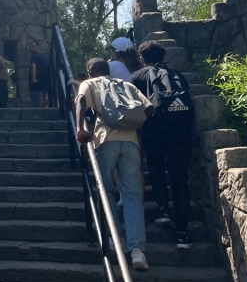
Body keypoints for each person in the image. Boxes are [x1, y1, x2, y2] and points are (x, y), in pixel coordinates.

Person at [74, 57, 153, 270]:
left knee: (107, 190)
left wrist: (80, 128)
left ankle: (115, 241)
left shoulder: (90, 84)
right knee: (132, 195)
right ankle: (137, 251)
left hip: (105, 140)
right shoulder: (125, 84)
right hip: (131, 142)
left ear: (90, 71)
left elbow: (81, 101)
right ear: (108, 69)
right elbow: (148, 109)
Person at [129, 40, 196, 249]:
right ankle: (183, 232)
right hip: (181, 134)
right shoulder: (177, 75)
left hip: (154, 132)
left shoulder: (137, 77)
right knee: (179, 181)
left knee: (156, 169)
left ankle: (163, 210)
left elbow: (132, 106)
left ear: (142, 59)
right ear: (164, 56)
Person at [28, 39, 50, 107]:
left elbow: (33, 66)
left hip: (36, 87)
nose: (31, 48)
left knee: (37, 108)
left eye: (33, 46)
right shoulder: (45, 57)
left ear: (38, 46)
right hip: (45, 85)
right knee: (44, 107)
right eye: (30, 46)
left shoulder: (34, 57)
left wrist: (33, 79)